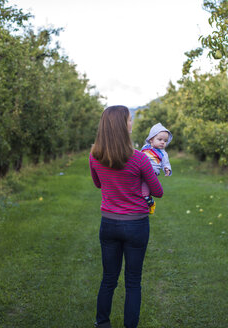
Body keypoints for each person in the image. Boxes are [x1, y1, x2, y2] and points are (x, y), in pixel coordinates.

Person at [89, 105, 163, 328]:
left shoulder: (95, 156)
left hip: (109, 223)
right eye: (129, 120)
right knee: (133, 283)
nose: (132, 124)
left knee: (108, 279)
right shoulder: (140, 159)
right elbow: (157, 191)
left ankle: (102, 323)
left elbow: (98, 183)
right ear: (123, 126)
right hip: (136, 226)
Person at [140, 123, 172, 214]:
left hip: (151, 173)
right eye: (160, 139)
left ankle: (150, 202)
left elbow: (166, 163)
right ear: (151, 140)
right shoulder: (145, 148)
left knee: (145, 191)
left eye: (165, 141)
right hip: (140, 170)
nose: (163, 142)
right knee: (136, 186)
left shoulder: (163, 153)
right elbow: (139, 156)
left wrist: (167, 169)